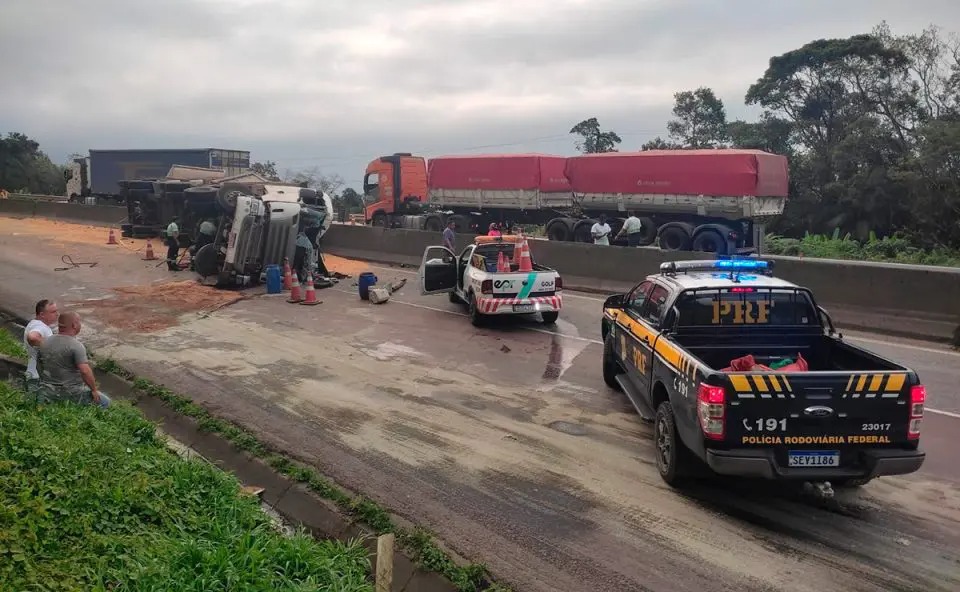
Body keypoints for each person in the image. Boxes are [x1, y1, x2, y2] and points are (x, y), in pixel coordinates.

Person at [35, 311, 110, 408]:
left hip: (46, 390)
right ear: (74, 325)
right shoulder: (76, 346)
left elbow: (39, 365)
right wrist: (94, 390)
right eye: (79, 322)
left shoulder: (45, 342)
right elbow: (85, 371)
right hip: (71, 392)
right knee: (105, 402)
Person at [23, 299, 58, 383]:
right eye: (53, 312)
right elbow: (32, 337)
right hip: (38, 378)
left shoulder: (34, 323)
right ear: (42, 314)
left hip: (34, 374)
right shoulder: (40, 327)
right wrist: (52, 347)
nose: (57, 314)